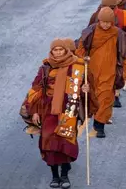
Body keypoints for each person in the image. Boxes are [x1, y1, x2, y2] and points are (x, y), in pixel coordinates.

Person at [22, 39, 98, 189]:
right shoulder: (45, 68)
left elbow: (86, 87)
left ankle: (64, 174)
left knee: (65, 141)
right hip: (47, 110)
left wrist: (86, 90)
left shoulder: (77, 67)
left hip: (68, 109)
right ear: (51, 51)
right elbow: (36, 90)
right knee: (49, 142)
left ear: (65, 51)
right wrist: (35, 111)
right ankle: (54, 175)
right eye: (55, 50)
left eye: (60, 50)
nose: (57, 52)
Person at [75, 7, 126, 138]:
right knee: (92, 97)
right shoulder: (91, 32)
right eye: (103, 22)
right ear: (99, 20)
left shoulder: (118, 34)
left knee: (105, 99)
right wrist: (83, 59)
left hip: (109, 72)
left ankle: (99, 126)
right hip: (91, 72)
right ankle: (90, 117)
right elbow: (80, 48)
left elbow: (124, 55)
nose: (105, 25)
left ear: (113, 22)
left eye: (108, 22)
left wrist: (124, 73)